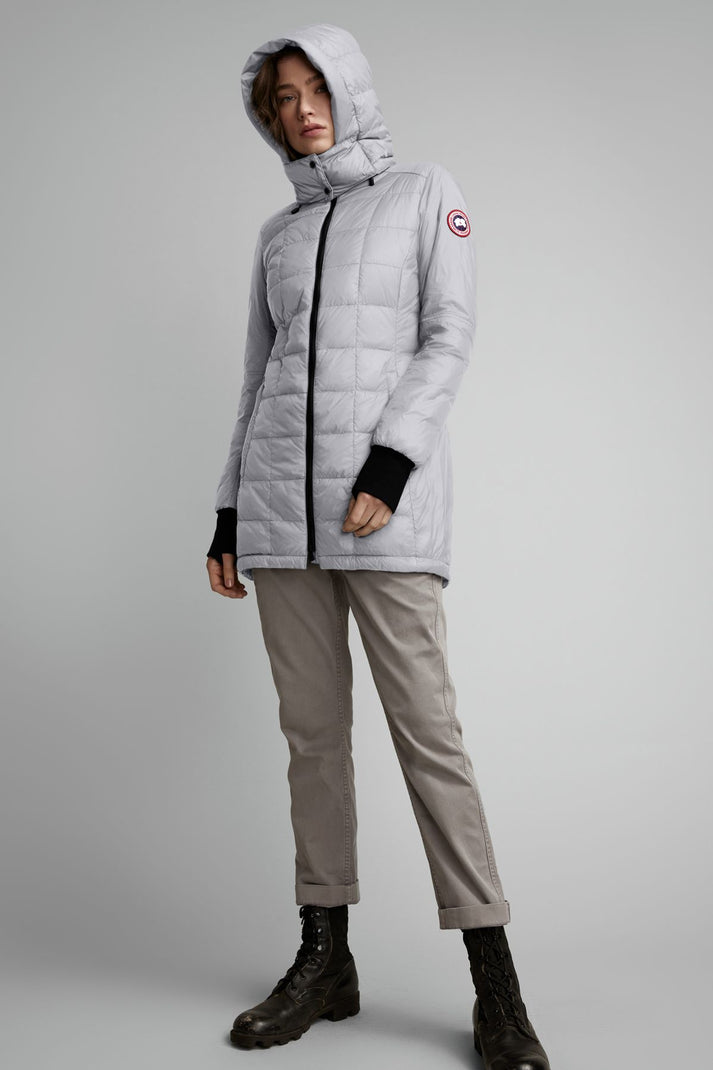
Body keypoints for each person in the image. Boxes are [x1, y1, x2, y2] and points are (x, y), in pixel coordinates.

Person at [206, 22, 551, 1070]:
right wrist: (229, 512)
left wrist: (390, 463)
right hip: (281, 521)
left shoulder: (421, 194)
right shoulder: (277, 235)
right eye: (280, 98)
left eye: (314, 88)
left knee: (427, 737)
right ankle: (326, 959)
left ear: (348, 87)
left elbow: (448, 334)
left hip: (381, 515)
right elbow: (259, 380)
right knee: (311, 739)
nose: (300, 109)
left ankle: (496, 985)